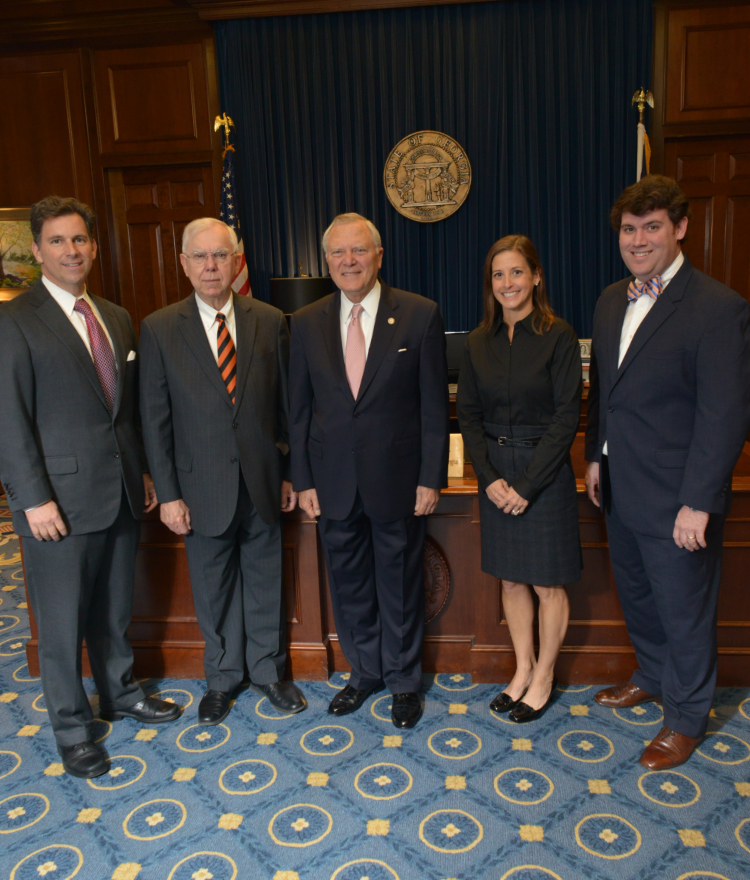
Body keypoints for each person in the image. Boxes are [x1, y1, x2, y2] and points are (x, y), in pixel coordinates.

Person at [0, 197, 180, 778]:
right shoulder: (14, 319)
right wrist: (32, 498)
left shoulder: (116, 315)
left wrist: (146, 471)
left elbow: (123, 412)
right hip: (56, 502)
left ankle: (121, 694)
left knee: (112, 610)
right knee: (59, 625)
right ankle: (72, 730)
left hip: (122, 490)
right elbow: (8, 417)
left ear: (94, 247)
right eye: (57, 241)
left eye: (79, 240)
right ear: (37, 250)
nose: (70, 251)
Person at [585, 175, 750, 770]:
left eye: (652, 227)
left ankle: (685, 718)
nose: (638, 240)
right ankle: (652, 675)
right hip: (621, 489)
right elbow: (605, 389)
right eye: (629, 229)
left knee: (685, 609)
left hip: (680, 497)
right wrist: (594, 457)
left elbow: (724, 413)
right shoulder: (610, 300)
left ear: (679, 228)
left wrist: (699, 501)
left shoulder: (717, 306)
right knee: (639, 595)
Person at [139, 217, 306, 725]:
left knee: (264, 582)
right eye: (201, 257)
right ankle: (222, 678)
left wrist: (288, 473)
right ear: (184, 264)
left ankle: (269, 673)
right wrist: (168, 494)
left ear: (236, 262)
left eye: (221, 256)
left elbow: (285, 409)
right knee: (212, 590)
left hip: (261, 482)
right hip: (197, 488)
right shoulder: (160, 328)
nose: (212, 267)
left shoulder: (270, 319)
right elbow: (154, 419)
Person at [289, 213, 449, 729]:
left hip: (399, 481)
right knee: (349, 583)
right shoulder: (307, 320)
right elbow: (297, 411)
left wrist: (431, 477)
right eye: (338, 252)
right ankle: (365, 673)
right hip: (332, 482)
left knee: (400, 584)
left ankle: (403, 681)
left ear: (379, 256)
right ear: (328, 261)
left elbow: (433, 409)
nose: (348, 261)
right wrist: (304, 480)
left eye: (359, 250)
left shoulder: (420, 315)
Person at [458, 235, 582, 723]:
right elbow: (467, 415)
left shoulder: (559, 336)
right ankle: (522, 669)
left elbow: (566, 417)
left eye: (516, 272)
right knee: (511, 580)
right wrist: (488, 478)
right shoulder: (476, 342)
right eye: (498, 274)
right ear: (490, 284)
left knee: (548, 584)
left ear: (535, 276)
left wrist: (527, 486)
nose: (507, 283)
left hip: (544, 475)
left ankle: (545, 676)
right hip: (495, 473)